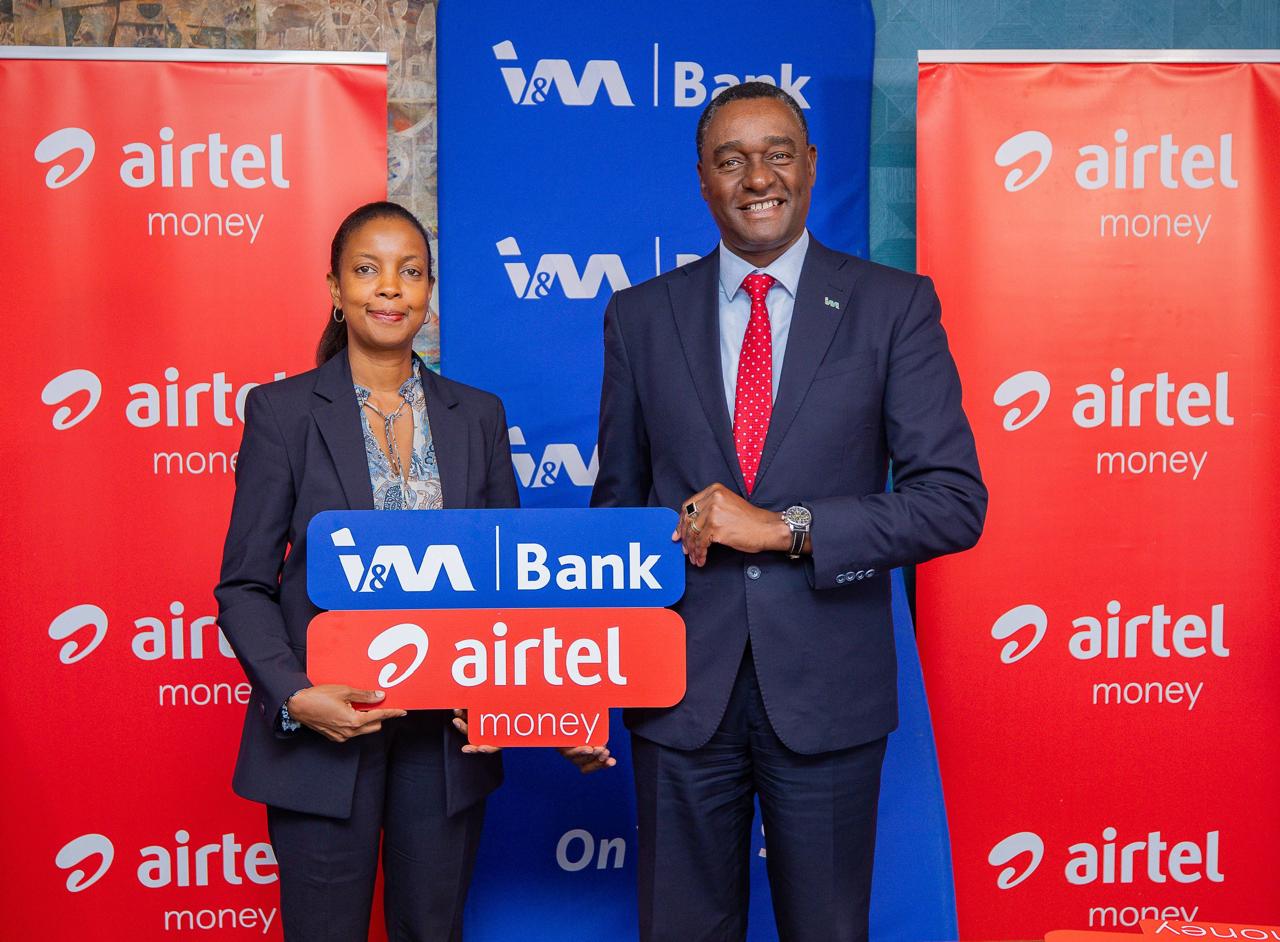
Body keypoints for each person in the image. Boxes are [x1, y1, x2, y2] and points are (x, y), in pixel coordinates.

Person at [590, 83, 987, 941]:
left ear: (810, 165)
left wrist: (785, 527)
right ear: (702, 180)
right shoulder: (640, 317)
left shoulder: (893, 305)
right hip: (678, 695)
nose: (757, 177)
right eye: (731, 160)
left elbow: (954, 503)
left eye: (777, 154)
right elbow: (615, 516)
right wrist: (589, 686)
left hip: (829, 689)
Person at [215, 201, 519, 941]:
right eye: (366, 269)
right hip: (323, 735)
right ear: (335, 288)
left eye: (410, 272)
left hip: (444, 741)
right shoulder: (283, 412)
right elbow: (244, 585)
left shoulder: (478, 416)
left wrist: (520, 701)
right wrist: (296, 696)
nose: (389, 287)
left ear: (429, 292)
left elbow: (509, 579)